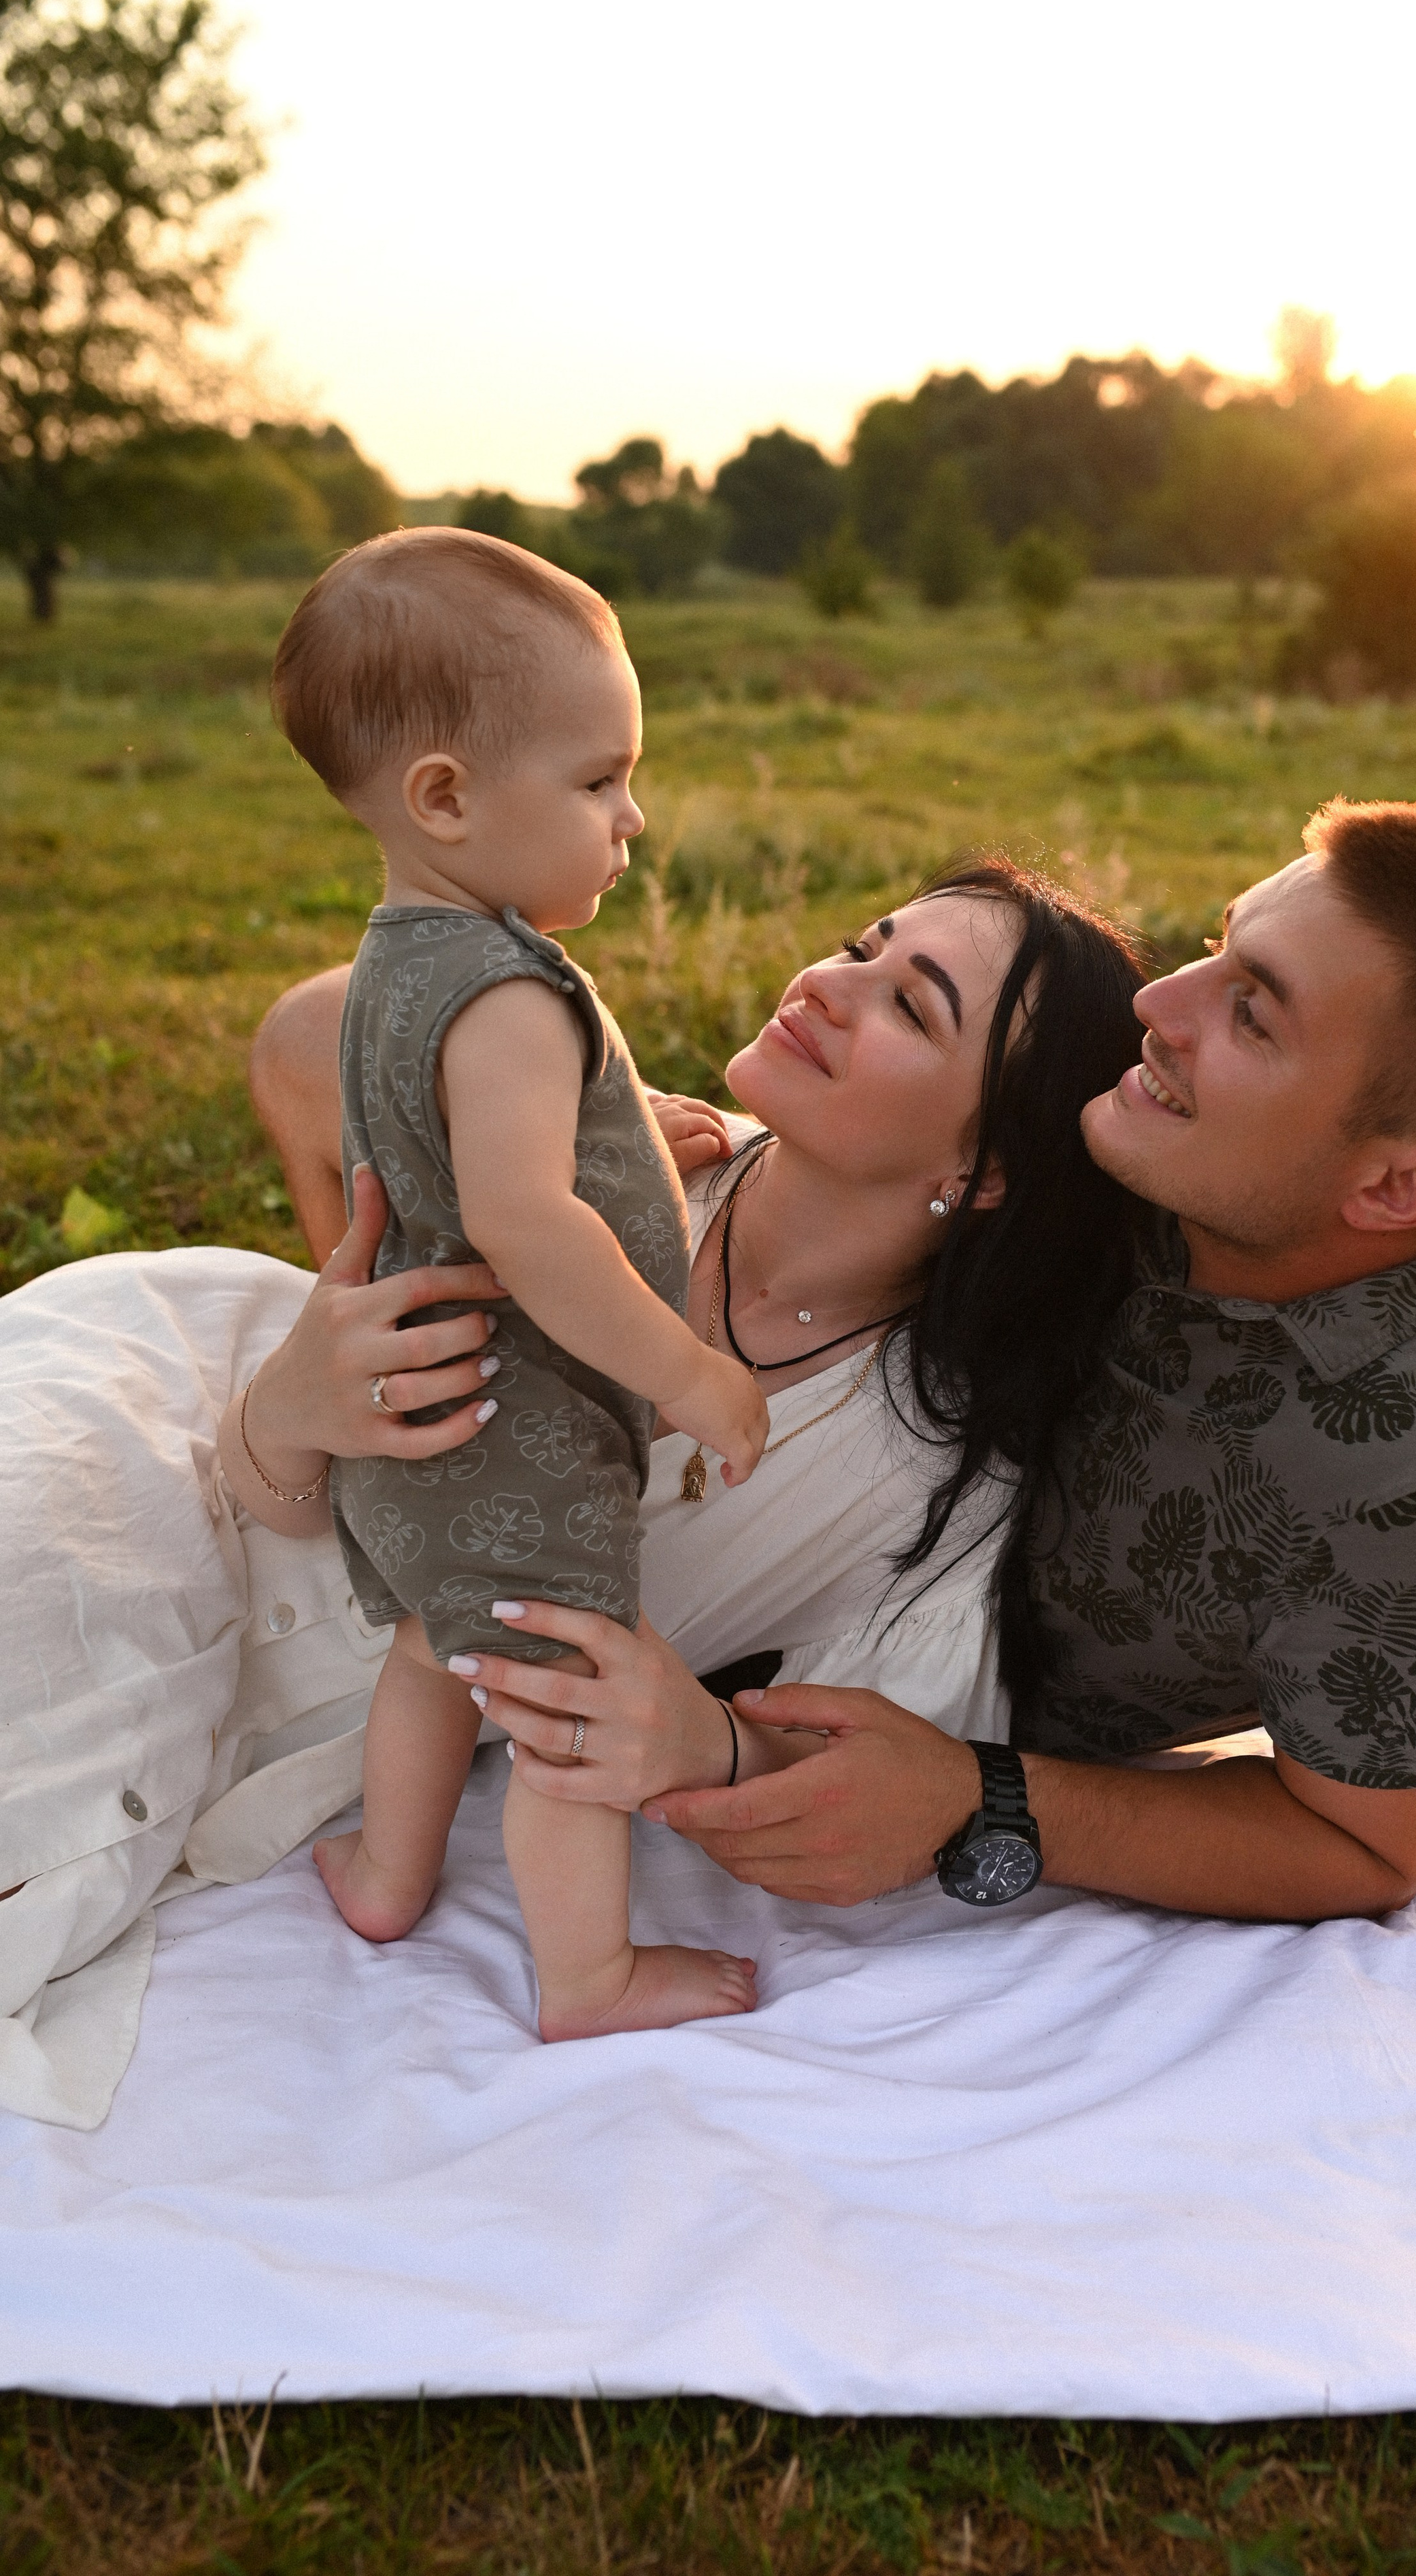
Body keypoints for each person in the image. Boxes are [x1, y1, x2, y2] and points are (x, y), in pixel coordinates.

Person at [0, 852, 1151, 2122]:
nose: (833, 983)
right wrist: (302, 1398)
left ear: (986, 1171)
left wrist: (703, 1737)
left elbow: (875, 1768)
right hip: (145, 1438)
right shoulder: (610, 1154)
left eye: (910, 1006)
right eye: (865, 944)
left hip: (283, 1685)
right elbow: (299, 1041)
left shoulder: (926, 1466)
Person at [387, 801, 1416, 1926]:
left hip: (870, 1660)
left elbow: (1369, 1848)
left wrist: (989, 1802)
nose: (1163, 1005)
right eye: (1218, 944)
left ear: (1395, 1188)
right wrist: (557, 1173)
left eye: (1251, 1012)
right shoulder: (1152, 1128)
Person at [265, 528, 771, 2037]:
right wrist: (689, 1373)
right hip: (518, 1428)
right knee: (556, 1703)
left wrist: (636, 1140)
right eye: (599, 779)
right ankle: (587, 1974)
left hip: (427, 1438)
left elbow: (469, 1158)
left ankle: (384, 1874)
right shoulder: (507, 994)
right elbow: (528, 1222)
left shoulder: (402, 959)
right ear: (446, 796)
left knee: (438, 1646)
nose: (635, 816)